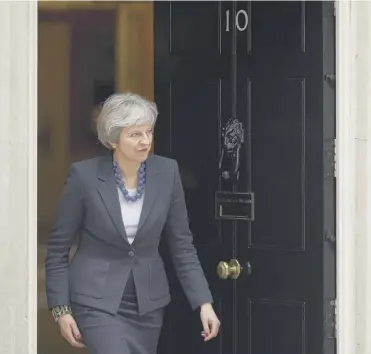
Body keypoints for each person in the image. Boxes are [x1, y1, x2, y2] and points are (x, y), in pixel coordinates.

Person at [45, 92, 220, 354]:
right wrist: (61, 309)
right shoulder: (84, 177)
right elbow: (58, 250)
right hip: (95, 302)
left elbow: (182, 246)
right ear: (113, 139)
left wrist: (203, 302)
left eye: (148, 132)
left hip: (147, 306)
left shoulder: (167, 173)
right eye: (135, 134)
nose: (145, 141)